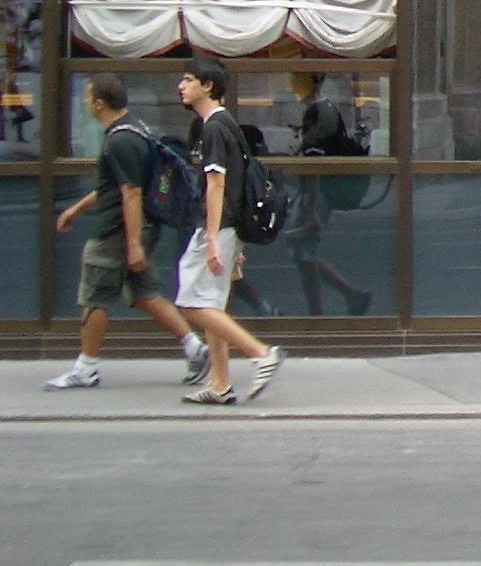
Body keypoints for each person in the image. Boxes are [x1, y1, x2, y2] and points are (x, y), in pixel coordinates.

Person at [44, 74, 209, 391]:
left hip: (117, 232)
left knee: (94, 296)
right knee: (144, 294)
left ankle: (86, 368)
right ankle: (195, 349)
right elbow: (115, 185)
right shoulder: (134, 129)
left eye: (87, 97)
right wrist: (76, 210)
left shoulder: (120, 141)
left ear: (98, 104)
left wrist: (133, 245)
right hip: (137, 228)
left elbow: (131, 192)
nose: (84, 103)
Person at [176, 57, 282, 406]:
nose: (181, 86)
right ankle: (220, 384)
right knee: (213, 303)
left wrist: (210, 239)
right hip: (228, 228)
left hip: (217, 227)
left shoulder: (213, 128)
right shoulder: (227, 125)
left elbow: (217, 184)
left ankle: (261, 354)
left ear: (207, 86)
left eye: (188, 79)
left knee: (192, 303)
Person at [285, 72, 372, 316]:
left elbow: (315, 163)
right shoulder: (323, 109)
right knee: (303, 254)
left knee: (304, 253)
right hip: (316, 193)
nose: (292, 83)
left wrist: (312, 208)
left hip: (317, 193)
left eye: (296, 78)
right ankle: (343, 299)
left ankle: (322, 311)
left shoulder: (319, 112)